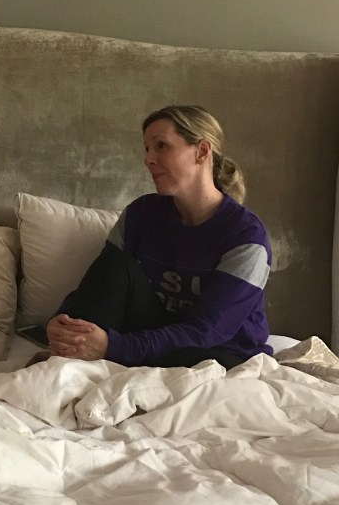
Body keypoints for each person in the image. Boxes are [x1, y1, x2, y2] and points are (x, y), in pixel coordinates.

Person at [46, 105, 272, 370]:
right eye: (147, 149)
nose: (148, 159)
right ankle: (65, 361)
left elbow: (208, 330)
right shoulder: (141, 213)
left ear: (202, 151)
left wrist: (114, 346)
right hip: (154, 334)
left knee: (195, 362)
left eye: (161, 146)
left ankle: (94, 361)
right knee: (115, 265)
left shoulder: (245, 235)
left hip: (219, 349)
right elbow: (101, 284)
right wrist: (61, 321)